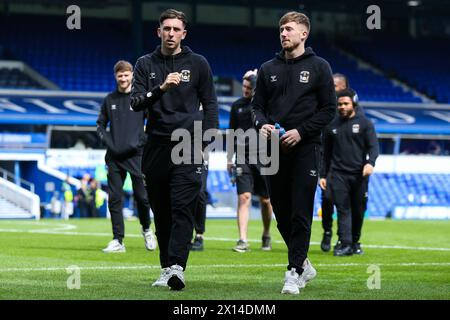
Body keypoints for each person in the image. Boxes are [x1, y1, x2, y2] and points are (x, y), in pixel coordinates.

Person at [130, 9, 218, 290]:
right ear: (159, 32)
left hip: (188, 144)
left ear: (184, 34)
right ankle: (166, 267)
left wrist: (206, 141)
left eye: (176, 29)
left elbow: (211, 104)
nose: (170, 33)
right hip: (155, 145)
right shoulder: (145, 64)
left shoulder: (199, 63)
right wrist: (161, 88)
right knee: (163, 211)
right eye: (166, 28)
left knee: (183, 208)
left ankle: (178, 267)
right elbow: (135, 103)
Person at [251, 11, 336, 294]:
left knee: (301, 210)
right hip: (273, 150)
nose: (283, 33)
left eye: (289, 29)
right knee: (281, 212)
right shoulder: (267, 68)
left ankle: (294, 270)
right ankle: (304, 263)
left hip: (306, 148)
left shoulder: (320, 66)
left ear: (304, 33)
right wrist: (262, 124)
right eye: (281, 29)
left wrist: (301, 131)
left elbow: (329, 110)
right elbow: (257, 107)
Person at [96, 60, 157, 253]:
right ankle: (118, 240)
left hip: (137, 156)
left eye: (126, 75)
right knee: (114, 198)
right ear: (116, 77)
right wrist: (109, 143)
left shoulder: (139, 98)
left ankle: (147, 229)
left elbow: (153, 123)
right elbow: (100, 126)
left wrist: (141, 141)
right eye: (120, 75)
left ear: (132, 76)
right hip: (114, 157)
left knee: (142, 198)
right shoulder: (109, 100)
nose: (123, 78)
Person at [320, 88, 379, 256]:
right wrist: (323, 175)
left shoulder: (365, 124)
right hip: (338, 174)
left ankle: (355, 241)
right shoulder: (332, 126)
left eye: (346, 104)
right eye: (339, 104)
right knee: (343, 208)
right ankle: (344, 243)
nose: (342, 107)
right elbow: (326, 153)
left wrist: (370, 163)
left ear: (354, 103)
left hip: (359, 175)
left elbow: (374, 147)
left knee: (358, 210)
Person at [227, 69, 273, 252]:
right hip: (242, 157)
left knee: (266, 200)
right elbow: (231, 133)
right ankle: (242, 240)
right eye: (244, 86)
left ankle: (266, 233)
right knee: (244, 197)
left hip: (264, 157)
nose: (245, 90)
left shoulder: (265, 107)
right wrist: (229, 158)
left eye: (249, 88)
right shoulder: (236, 106)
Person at [319, 73, 350, 252]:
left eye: (337, 86)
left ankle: (343, 238)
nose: (333, 88)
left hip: (344, 163)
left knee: (343, 202)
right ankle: (327, 231)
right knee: (327, 199)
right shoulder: (324, 105)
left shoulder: (349, 112)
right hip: (327, 160)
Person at [190, 155, 209, 251]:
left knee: (200, 193)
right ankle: (184, 234)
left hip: (199, 156)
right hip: (177, 157)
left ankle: (199, 235)